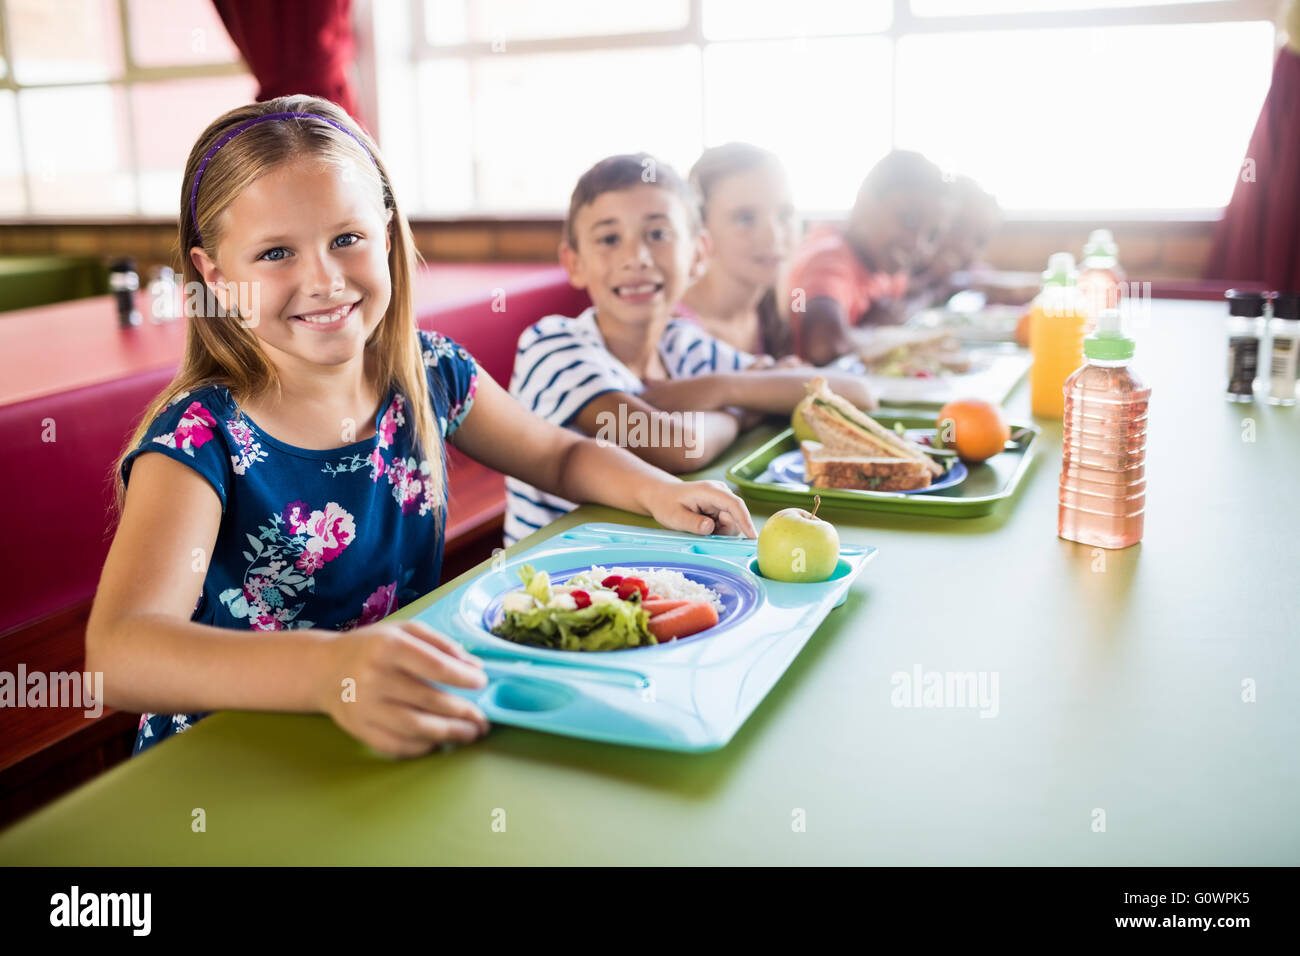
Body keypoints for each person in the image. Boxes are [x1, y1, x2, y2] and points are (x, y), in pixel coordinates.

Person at [88, 99, 757, 760]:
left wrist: (657, 491)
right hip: (233, 757)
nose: (323, 280)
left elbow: (558, 454)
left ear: (385, 233)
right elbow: (120, 650)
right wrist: (331, 672)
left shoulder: (431, 371)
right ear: (215, 276)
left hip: (398, 723)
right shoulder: (200, 435)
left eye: (345, 239)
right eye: (275, 253)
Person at [505, 153, 876, 545]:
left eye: (658, 234)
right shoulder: (551, 345)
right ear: (574, 262)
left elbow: (855, 393)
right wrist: (743, 409)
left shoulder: (682, 344)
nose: (637, 258)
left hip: (654, 561)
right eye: (610, 239)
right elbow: (674, 444)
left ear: (698, 254)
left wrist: (722, 389)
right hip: (555, 578)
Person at [781, 150, 948, 365]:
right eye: (909, 220)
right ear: (865, 200)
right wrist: (873, 331)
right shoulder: (828, 260)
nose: (917, 243)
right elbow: (822, 346)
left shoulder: (883, 265)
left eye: (932, 235)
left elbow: (906, 300)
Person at [679, 142, 802, 363]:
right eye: (745, 218)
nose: (773, 236)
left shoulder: (776, 313)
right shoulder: (674, 330)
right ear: (701, 228)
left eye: (785, 214)